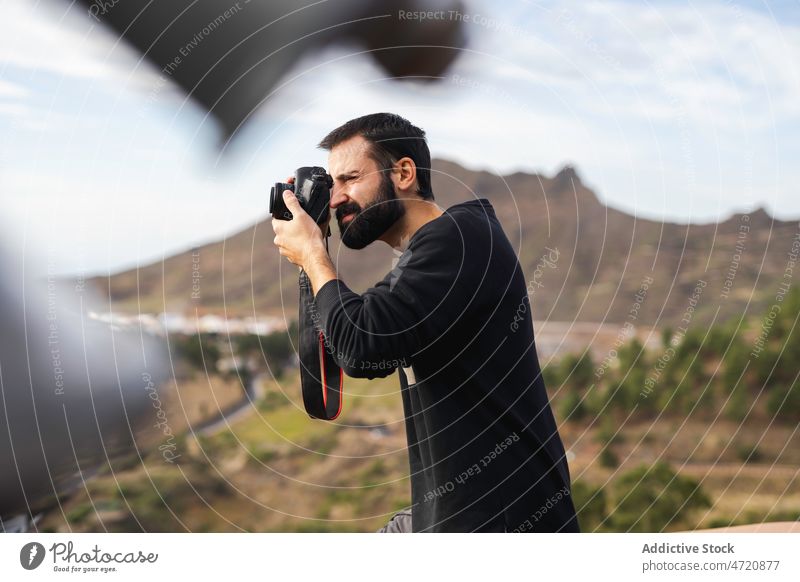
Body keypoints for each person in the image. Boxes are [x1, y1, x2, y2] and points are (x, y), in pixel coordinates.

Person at [271, 112, 579, 533]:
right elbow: (353, 343)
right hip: (456, 515)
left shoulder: (461, 239)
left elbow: (362, 345)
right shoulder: (425, 260)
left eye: (349, 179)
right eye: (330, 183)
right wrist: (314, 248)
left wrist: (312, 254)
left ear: (403, 173)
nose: (336, 197)